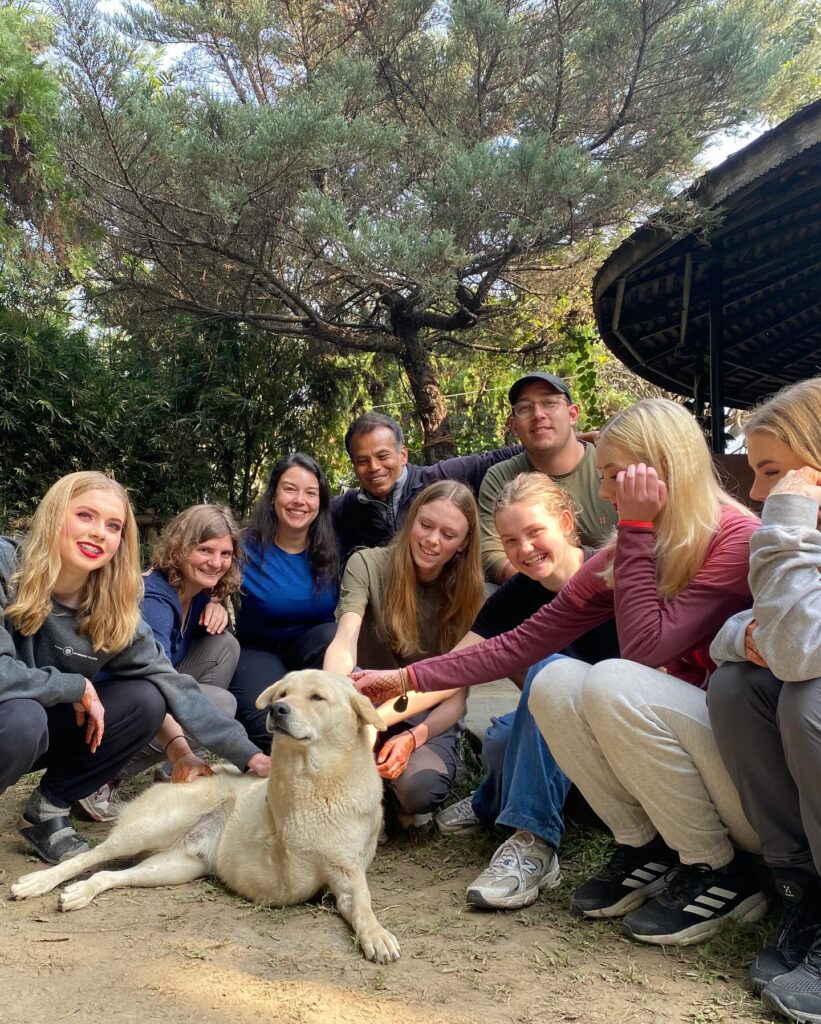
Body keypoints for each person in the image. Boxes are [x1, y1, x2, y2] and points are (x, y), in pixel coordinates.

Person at [353, 399, 764, 945]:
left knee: (612, 677)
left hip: (749, 781)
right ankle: (645, 845)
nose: (609, 493)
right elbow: (518, 643)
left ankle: (719, 869)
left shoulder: (734, 538)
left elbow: (643, 649)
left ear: (663, 468)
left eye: (617, 477)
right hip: (688, 763)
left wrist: (637, 527)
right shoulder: (625, 552)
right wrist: (405, 679)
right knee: (551, 677)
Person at [0, 472, 267, 865]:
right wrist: (75, 686)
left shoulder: (113, 606)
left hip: (46, 727)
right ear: (56, 515)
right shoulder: (6, 565)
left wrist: (251, 757)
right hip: (13, 718)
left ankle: (49, 809)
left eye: (113, 526)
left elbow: (176, 685)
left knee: (147, 698)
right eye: (85, 516)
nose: (98, 534)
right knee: (23, 716)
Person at [435, 473, 620, 909]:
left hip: (614, 730)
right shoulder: (515, 595)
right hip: (551, 734)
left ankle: (533, 838)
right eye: (510, 540)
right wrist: (389, 695)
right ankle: (492, 801)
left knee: (548, 670)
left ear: (566, 520)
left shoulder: (614, 574)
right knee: (499, 741)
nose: (524, 550)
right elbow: (453, 667)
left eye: (535, 532)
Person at [708, 377, 821, 1021]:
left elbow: (801, 649)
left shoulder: (791, 520)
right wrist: (754, 638)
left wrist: (787, 519)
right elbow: (751, 631)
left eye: (770, 472)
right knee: (736, 686)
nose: (755, 493)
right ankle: (803, 888)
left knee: (808, 699)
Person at [324, 480, 485, 825]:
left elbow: (455, 695)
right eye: (425, 525)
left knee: (419, 791)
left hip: (425, 717)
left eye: (448, 534)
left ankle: (408, 783)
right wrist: (339, 703)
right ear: (411, 519)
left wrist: (413, 737)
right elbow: (344, 640)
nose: (431, 540)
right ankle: (375, 787)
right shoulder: (366, 563)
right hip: (364, 705)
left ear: (464, 543)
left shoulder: (471, 595)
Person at [78, 503, 244, 821]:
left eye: (225, 554)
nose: (217, 562)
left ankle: (174, 774)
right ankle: (97, 779)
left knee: (224, 646)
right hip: (105, 712)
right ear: (180, 548)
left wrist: (216, 601)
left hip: (144, 695)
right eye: (205, 550)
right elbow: (155, 680)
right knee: (219, 705)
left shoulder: (194, 591)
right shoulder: (154, 600)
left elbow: (215, 577)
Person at [230, 453, 340, 751]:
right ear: (274, 494)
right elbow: (202, 572)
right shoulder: (241, 547)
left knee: (333, 635)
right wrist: (214, 600)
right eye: (290, 489)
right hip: (256, 651)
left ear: (321, 501)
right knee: (273, 733)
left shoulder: (333, 547)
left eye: (310, 493)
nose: (299, 500)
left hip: (311, 651)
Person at [478, 372, 617, 583]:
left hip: (618, 584)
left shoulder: (611, 463)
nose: (538, 414)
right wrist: (548, 580)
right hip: (538, 592)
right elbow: (491, 555)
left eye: (549, 403)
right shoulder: (501, 477)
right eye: (525, 408)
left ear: (573, 414)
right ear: (513, 425)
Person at [331, 412, 521, 560]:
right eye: (363, 461)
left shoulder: (438, 479)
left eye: (383, 456)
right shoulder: (345, 509)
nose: (374, 467)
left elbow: (499, 459)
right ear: (354, 466)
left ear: (403, 455)